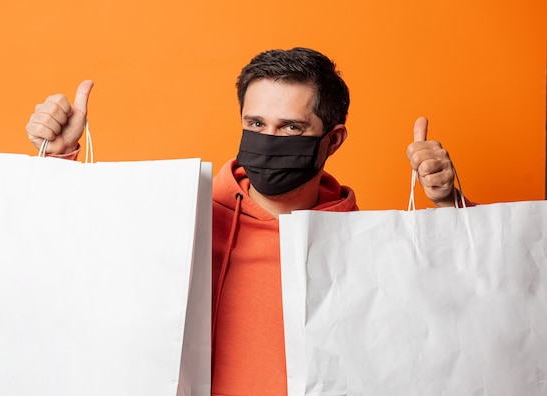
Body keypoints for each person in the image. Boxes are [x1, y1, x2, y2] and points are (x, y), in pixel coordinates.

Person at [26, 47, 470, 395]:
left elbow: (454, 326)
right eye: (255, 122)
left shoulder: (367, 245)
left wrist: (449, 204)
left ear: (332, 140)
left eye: (291, 128)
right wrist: (58, 160)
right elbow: (72, 274)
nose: (269, 140)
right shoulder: (181, 222)